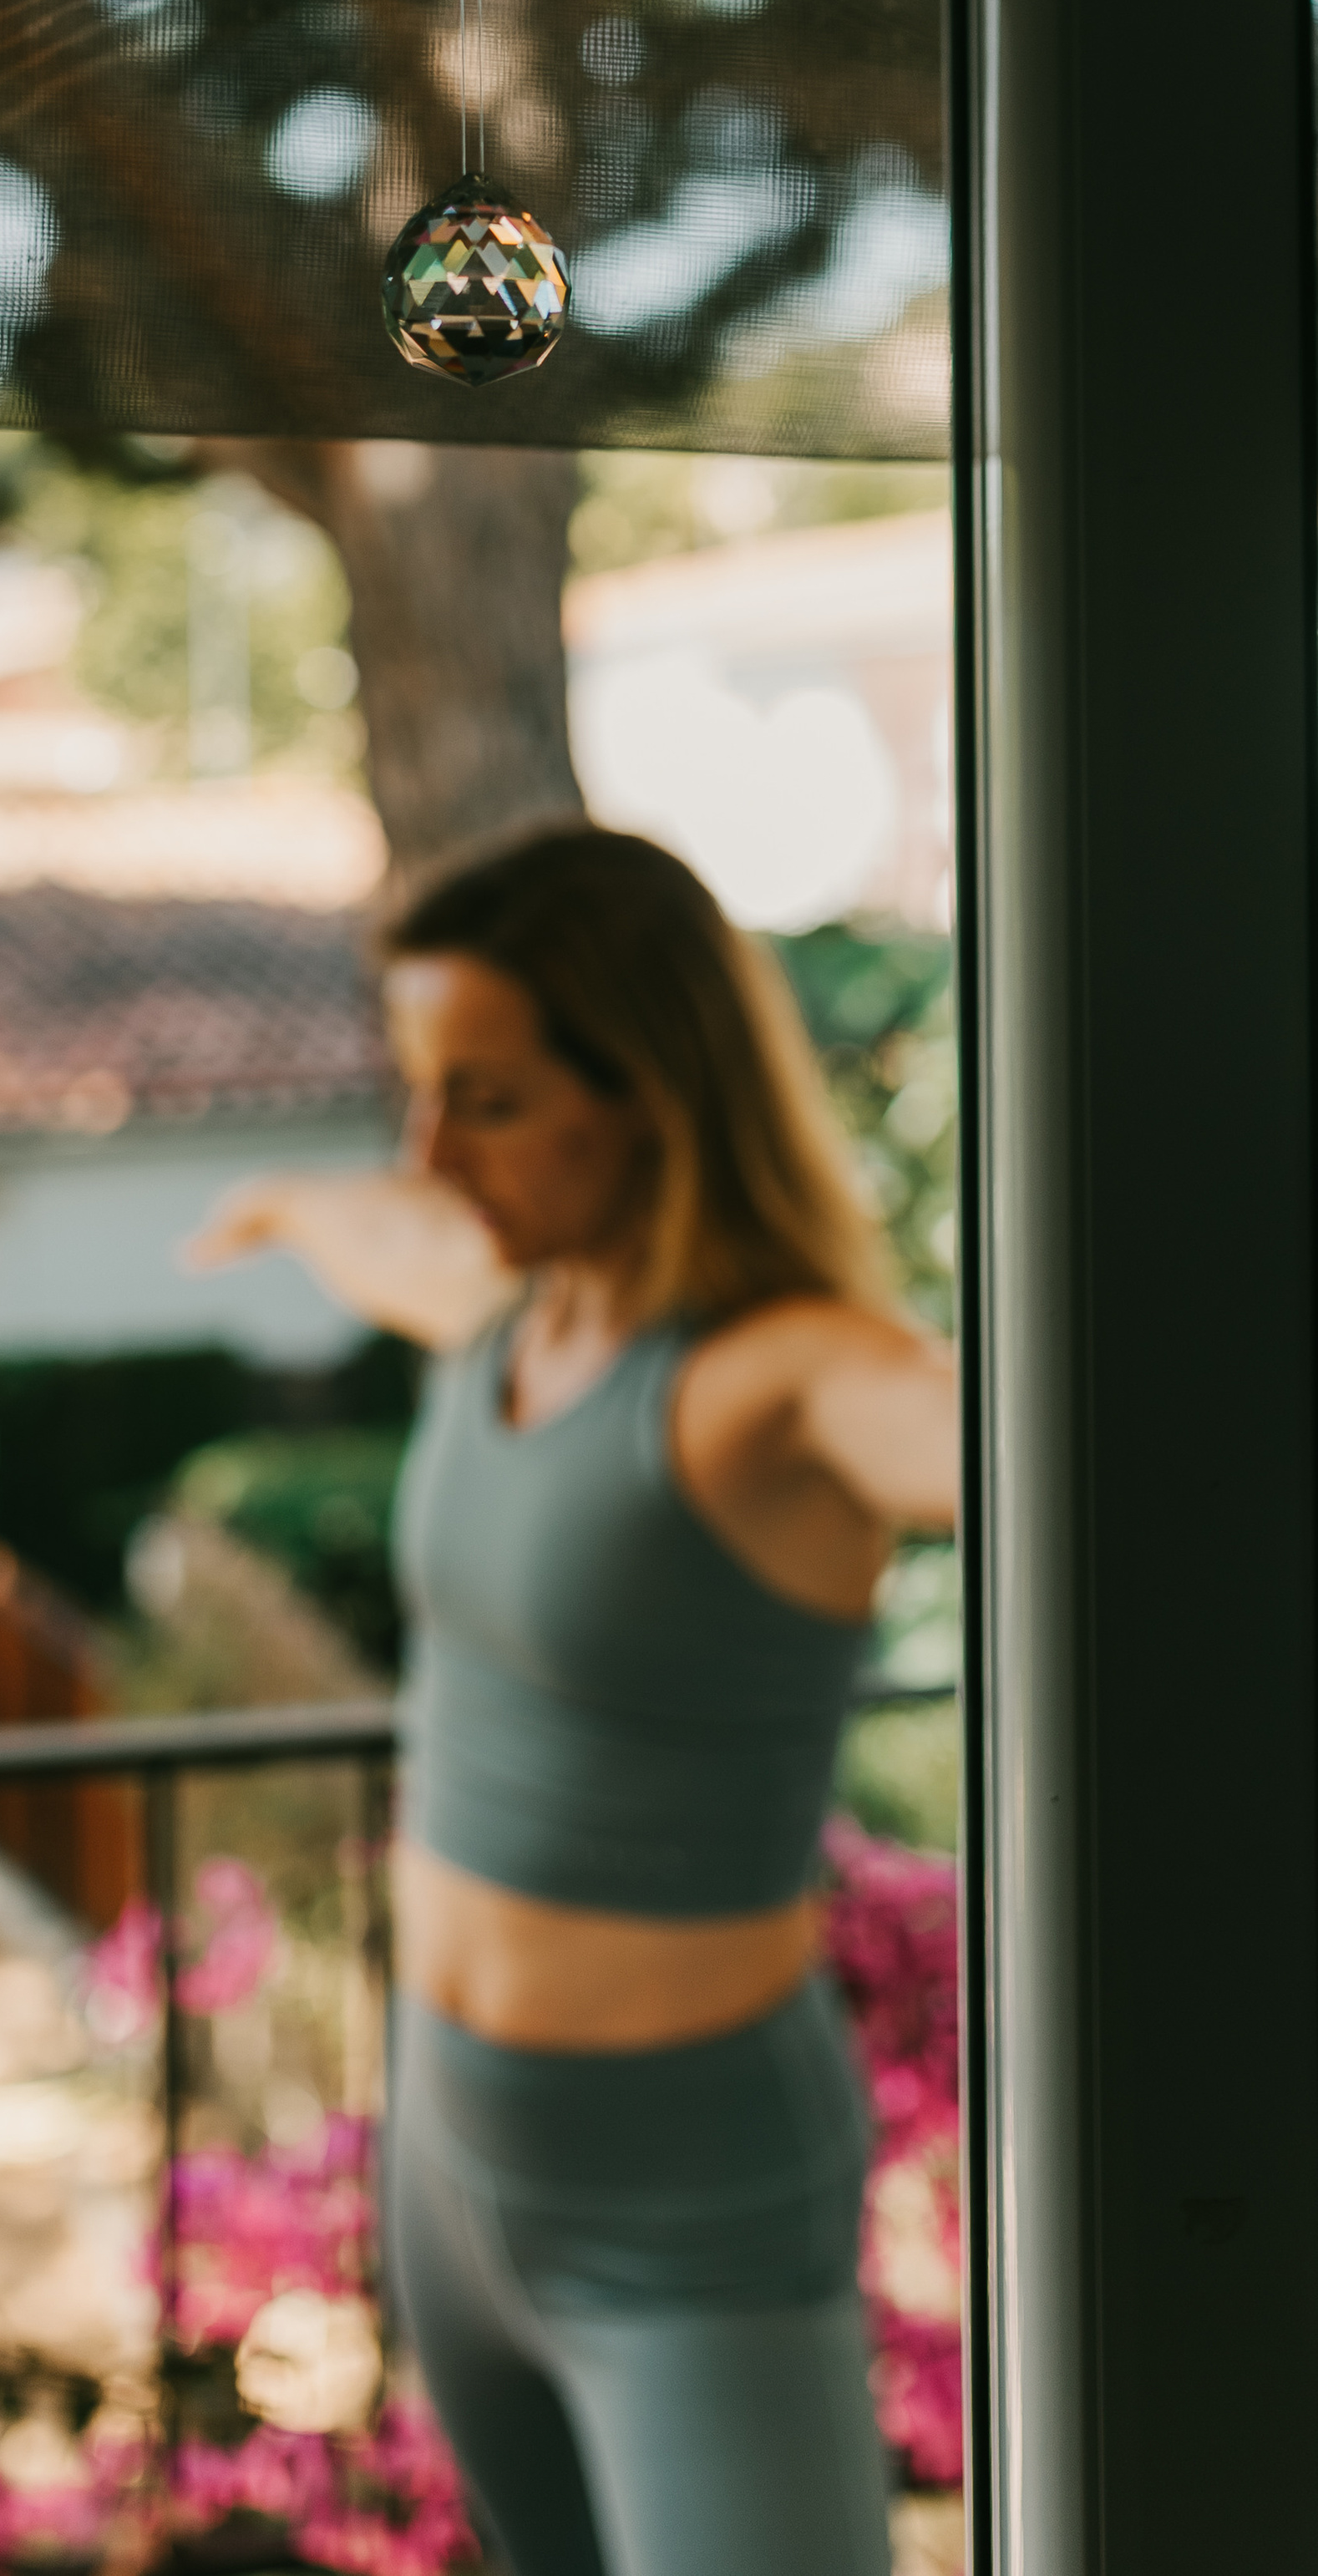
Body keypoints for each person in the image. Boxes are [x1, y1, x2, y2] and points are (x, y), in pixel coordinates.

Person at [187, 819, 957, 2576]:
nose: (428, 1149)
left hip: (683, 2196)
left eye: (490, 1098)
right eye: (417, 1087)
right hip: (449, 2154)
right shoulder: (501, 1315)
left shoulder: (784, 1386)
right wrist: (290, 1213)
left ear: (654, 1094)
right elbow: (395, 1236)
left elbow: (1014, 1428)